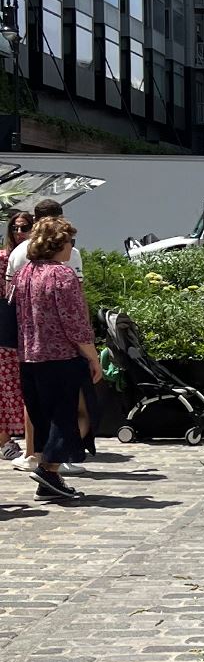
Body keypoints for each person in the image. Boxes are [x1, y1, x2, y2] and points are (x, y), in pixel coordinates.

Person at [10, 218, 101, 501]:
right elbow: (75, 322)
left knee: (44, 417)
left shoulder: (24, 274)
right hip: (60, 356)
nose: (71, 246)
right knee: (65, 416)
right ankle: (48, 471)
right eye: (69, 241)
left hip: (29, 356)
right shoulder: (62, 275)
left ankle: (49, 479)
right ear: (58, 244)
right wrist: (93, 357)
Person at [0, 210, 32, 461]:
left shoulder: (41, 260)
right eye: (15, 228)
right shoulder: (3, 258)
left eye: (24, 227)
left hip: (31, 331)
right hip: (6, 329)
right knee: (5, 386)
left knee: (23, 388)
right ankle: (4, 440)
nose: (19, 232)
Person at [5, 198, 83, 285]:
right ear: (61, 220)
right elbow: (77, 288)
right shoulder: (70, 251)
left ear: (34, 220)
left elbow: (9, 289)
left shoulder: (17, 252)